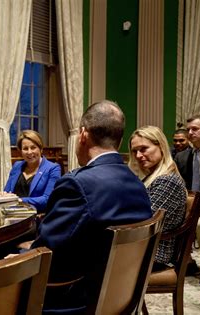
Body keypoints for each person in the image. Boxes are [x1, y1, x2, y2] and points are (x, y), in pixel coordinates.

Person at [30, 100, 152, 313]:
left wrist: (18, 261)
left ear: (83, 135)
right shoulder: (137, 184)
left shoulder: (77, 183)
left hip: (72, 301)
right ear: (120, 140)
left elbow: (48, 253)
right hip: (120, 297)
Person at [129, 125, 186, 270]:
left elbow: (148, 222)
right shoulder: (153, 177)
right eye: (135, 151)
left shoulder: (167, 180)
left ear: (160, 146)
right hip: (141, 247)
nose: (138, 156)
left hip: (153, 254)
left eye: (143, 149)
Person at [174, 115, 200, 286]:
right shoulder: (181, 157)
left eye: (194, 129)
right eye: (188, 129)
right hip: (187, 205)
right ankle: (186, 263)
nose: (190, 132)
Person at [0, 130, 61, 212]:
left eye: (33, 147)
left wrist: (18, 200)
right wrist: (3, 195)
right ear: (21, 151)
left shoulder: (53, 168)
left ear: (40, 149)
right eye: (25, 149)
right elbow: (7, 191)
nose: (29, 152)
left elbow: (47, 199)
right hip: (12, 214)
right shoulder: (17, 165)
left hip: (37, 217)